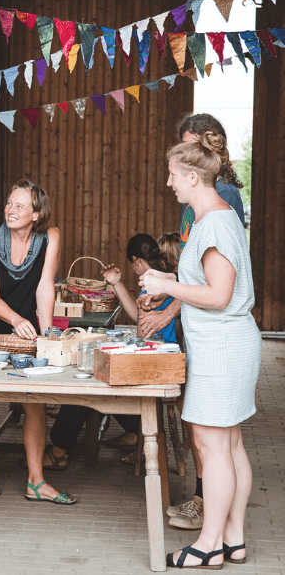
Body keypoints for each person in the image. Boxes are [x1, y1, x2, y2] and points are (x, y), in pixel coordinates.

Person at [140, 130, 261, 569]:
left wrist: (165, 283)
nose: (169, 182)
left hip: (221, 347)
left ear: (193, 177)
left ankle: (208, 544)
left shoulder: (211, 224)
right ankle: (233, 538)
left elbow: (220, 295)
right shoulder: (222, 216)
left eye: (173, 175)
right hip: (230, 344)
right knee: (228, 445)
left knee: (213, 448)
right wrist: (171, 290)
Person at [0, 179, 75, 504]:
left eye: (19, 206)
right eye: (9, 204)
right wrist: (16, 321)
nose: (10, 210)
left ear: (36, 213)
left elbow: (44, 287)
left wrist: (49, 330)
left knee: (33, 394)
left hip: (24, 319)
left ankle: (36, 481)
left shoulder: (50, 237)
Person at [36, 233, 179, 468]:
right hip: (162, 356)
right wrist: (117, 283)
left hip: (155, 363)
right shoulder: (172, 283)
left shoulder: (153, 286)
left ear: (137, 261)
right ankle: (133, 430)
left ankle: (59, 449)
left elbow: (143, 331)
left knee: (85, 387)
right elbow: (138, 318)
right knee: (97, 375)